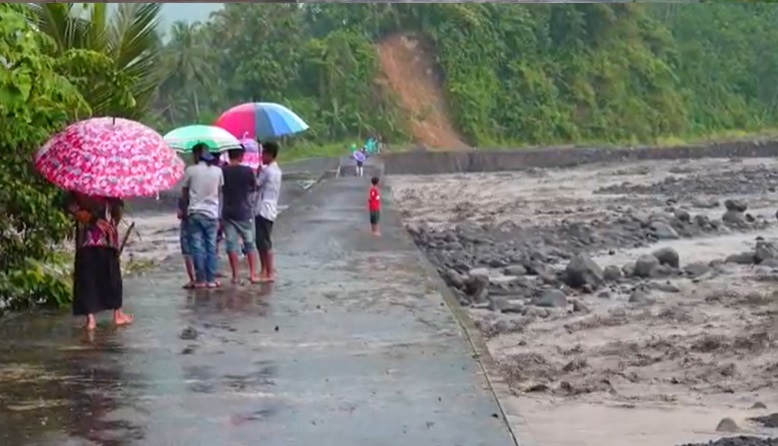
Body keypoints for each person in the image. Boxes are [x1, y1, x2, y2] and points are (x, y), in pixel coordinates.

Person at [68, 192, 133, 331]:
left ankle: (90, 319)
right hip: (107, 239)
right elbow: (117, 213)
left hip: (86, 239)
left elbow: (71, 207)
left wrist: (92, 220)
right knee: (111, 275)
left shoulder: (79, 186)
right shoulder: (112, 186)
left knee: (87, 277)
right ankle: (118, 314)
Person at [182, 144, 224, 288]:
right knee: (211, 247)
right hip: (212, 214)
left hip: (195, 213)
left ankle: (200, 280)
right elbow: (219, 192)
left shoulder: (190, 170)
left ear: (196, 155)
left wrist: (184, 208)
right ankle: (211, 280)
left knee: (197, 247)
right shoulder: (218, 171)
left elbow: (184, 193)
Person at [222, 148, 260, 284]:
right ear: (241, 156)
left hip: (227, 212)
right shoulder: (247, 171)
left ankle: (235, 275)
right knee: (249, 243)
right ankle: (252, 274)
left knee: (231, 244)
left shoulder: (223, 171)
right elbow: (254, 188)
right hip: (244, 212)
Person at [254, 142, 282, 282]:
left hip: (263, 209)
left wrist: (258, 173)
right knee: (263, 241)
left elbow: (256, 185)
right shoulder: (277, 170)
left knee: (263, 242)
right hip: (270, 208)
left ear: (270, 154)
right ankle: (265, 270)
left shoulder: (267, 171)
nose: (262, 157)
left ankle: (268, 271)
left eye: (264, 153)